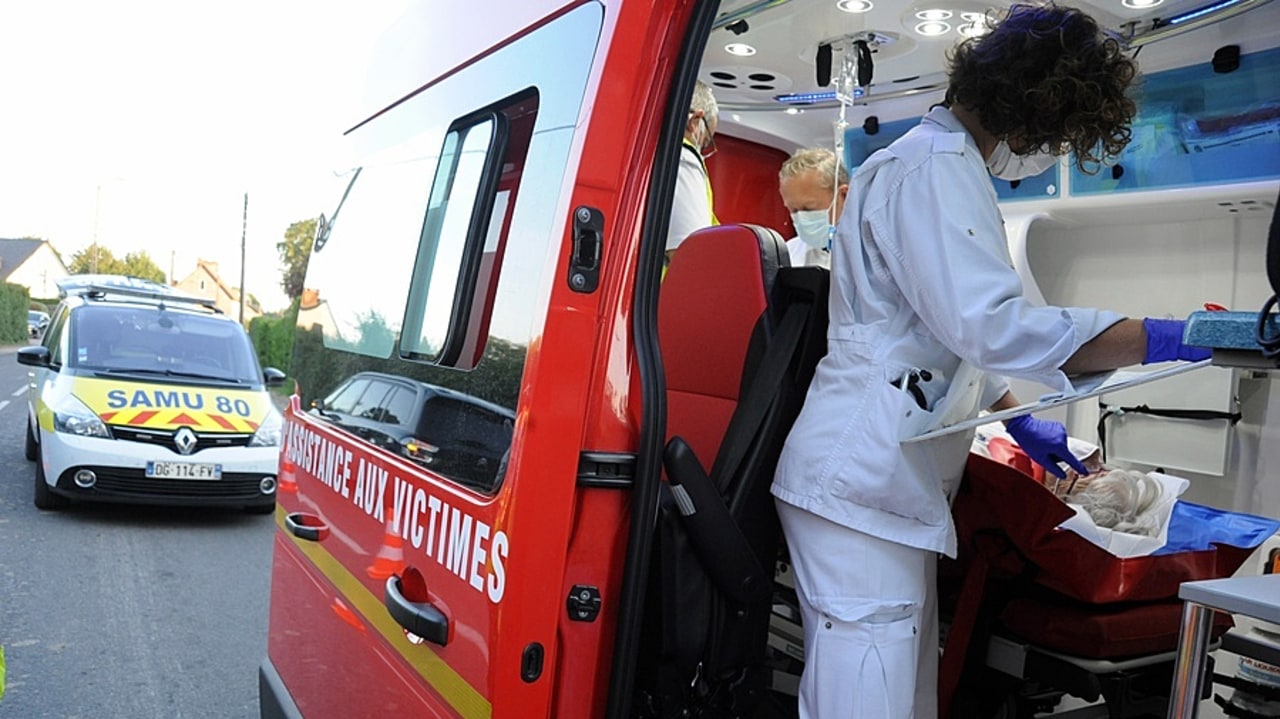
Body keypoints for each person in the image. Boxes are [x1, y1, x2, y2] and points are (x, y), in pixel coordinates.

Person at [769, 5, 1210, 718]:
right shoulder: (938, 168)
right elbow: (991, 325)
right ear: (1034, 105)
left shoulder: (922, 160)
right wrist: (1165, 335)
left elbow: (939, 334)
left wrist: (1019, 419)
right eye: (1056, 131)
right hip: (862, 487)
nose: (1045, 149)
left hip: (879, 490)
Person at [666, 80, 719, 256]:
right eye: (705, 142)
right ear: (694, 121)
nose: (701, 150)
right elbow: (691, 254)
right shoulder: (683, 157)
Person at [778, 147, 849, 269]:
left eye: (808, 209)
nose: (801, 219)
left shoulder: (877, 250)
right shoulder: (788, 254)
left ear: (844, 195)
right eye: (793, 210)